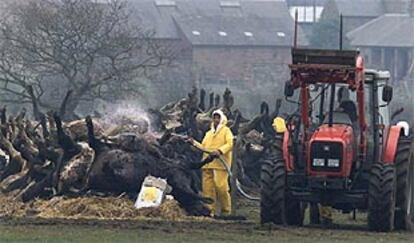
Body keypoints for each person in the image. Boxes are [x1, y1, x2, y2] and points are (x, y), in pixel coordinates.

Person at [189, 109, 234, 217]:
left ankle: (226, 210)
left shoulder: (226, 131)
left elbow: (230, 143)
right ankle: (209, 211)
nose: (216, 120)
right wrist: (193, 142)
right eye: (214, 117)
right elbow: (204, 148)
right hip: (207, 164)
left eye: (218, 117)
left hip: (220, 164)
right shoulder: (208, 134)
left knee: (221, 186)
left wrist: (219, 151)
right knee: (207, 189)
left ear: (222, 118)